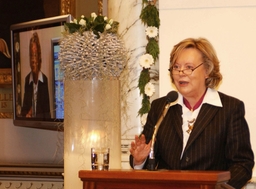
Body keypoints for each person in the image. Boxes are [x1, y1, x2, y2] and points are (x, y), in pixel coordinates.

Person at [130, 37, 254, 189]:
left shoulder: (230, 109)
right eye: (176, 67)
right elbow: (148, 158)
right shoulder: (161, 107)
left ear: (207, 70)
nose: (181, 73)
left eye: (189, 67)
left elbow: (242, 164)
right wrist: (140, 160)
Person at [21, 32, 51, 118]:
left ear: (39, 58)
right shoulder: (27, 80)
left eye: (35, 55)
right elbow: (24, 110)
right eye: (31, 56)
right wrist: (26, 115)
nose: (33, 60)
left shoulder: (44, 79)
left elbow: (47, 112)